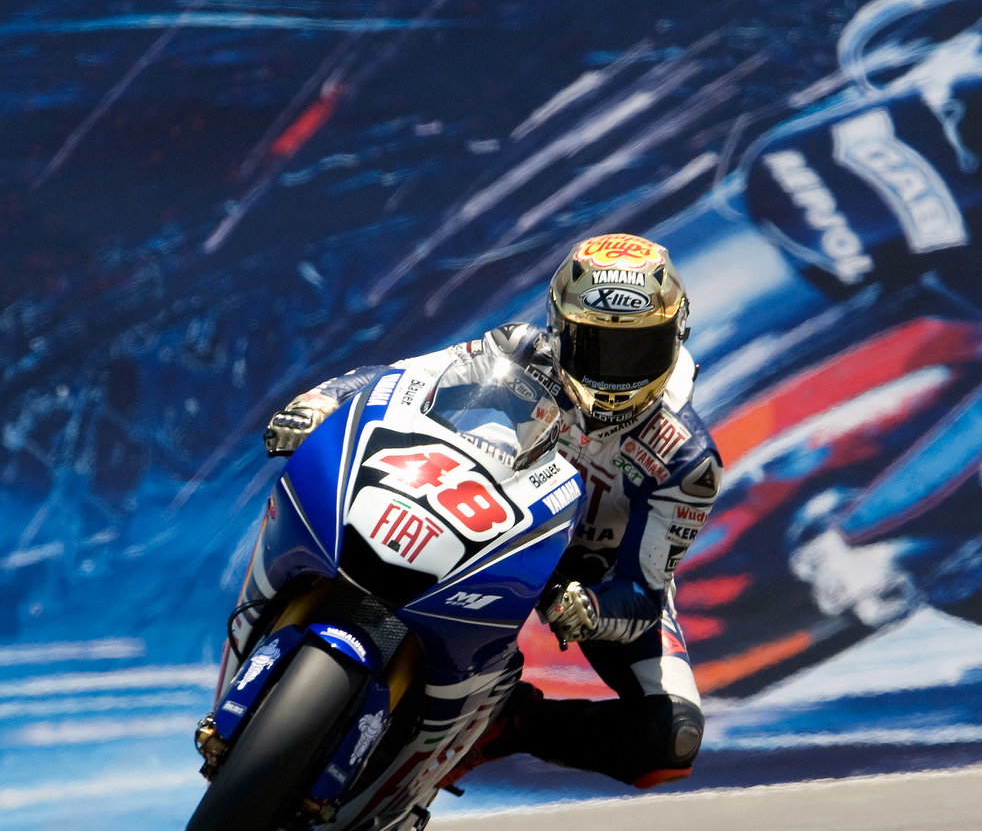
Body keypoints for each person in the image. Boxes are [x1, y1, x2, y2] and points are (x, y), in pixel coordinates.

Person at [261, 233, 722, 790]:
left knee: (670, 740)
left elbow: (644, 594)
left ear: (676, 336)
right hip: (486, 516)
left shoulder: (688, 460)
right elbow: (400, 380)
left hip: (587, 578)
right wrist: (321, 402)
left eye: (638, 349)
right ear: (559, 328)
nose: (615, 371)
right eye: (595, 346)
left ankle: (507, 724)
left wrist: (592, 610)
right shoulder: (518, 350)